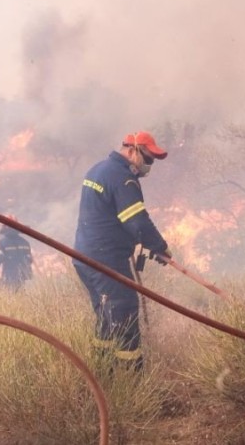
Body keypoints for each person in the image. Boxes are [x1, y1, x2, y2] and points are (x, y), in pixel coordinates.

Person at [73, 131, 173, 371]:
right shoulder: (123, 178)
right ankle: (130, 378)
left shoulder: (97, 170)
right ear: (132, 150)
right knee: (125, 310)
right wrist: (160, 247)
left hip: (84, 257)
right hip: (106, 260)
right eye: (148, 159)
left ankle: (102, 371)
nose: (149, 166)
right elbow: (137, 221)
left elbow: (108, 217)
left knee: (106, 314)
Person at [0, 221, 34, 292]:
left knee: (2, 293)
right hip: (22, 275)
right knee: (19, 294)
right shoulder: (25, 242)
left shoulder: (2, 242)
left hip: (9, 274)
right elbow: (29, 259)